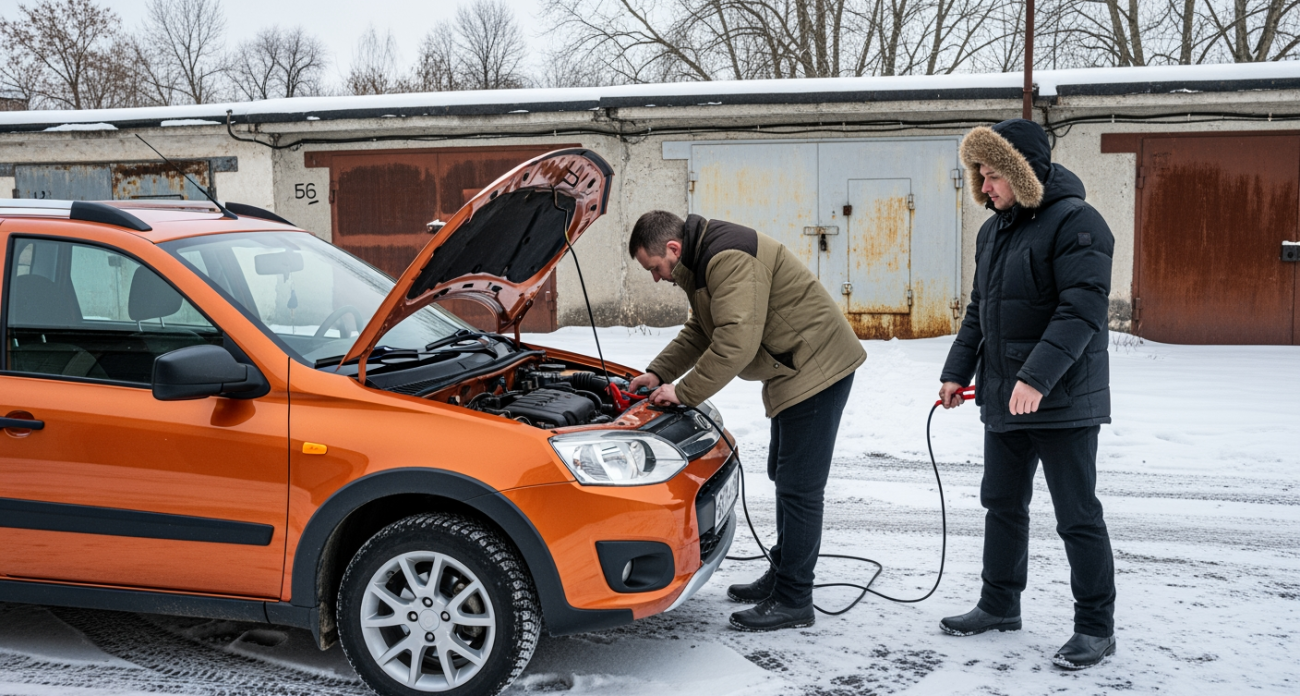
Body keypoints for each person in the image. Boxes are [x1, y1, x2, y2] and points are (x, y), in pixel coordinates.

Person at [626, 210, 866, 631]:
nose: (657, 277)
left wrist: (683, 392)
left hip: (816, 367)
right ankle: (784, 572)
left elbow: (735, 341)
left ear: (673, 249)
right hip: (793, 367)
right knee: (786, 475)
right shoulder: (701, 263)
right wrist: (660, 372)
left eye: (655, 268)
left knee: (801, 486)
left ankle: (794, 599)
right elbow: (702, 330)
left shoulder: (727, 257)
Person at [938, 118, 1117, 669]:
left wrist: (1037, 378)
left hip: (1063, 399)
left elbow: (1081, 308)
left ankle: (1095, 627)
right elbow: (979, 312)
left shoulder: (1077, 222)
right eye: (981, 175)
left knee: (1076, 515)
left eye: (993, 175)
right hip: (1004, 396)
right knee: (1002, 505)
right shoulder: (993, 232)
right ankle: (998, 604)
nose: (985, 187)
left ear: (1024, 171)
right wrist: (956, 371)